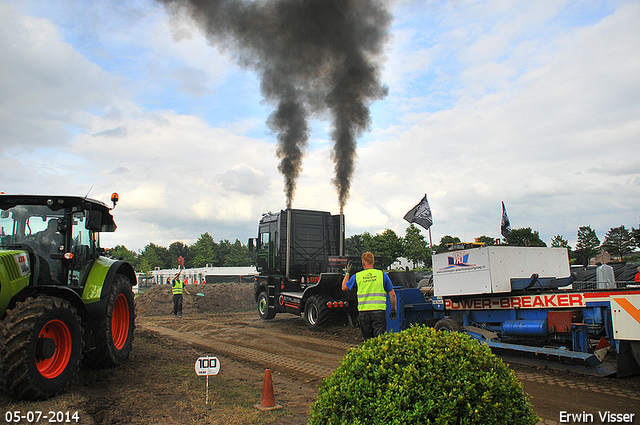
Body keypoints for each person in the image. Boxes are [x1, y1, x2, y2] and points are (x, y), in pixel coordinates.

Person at [342, 252, 397, 340]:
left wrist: (347, 273)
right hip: (379, 312)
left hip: (364, 313)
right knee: (380, 340)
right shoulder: (382, 275)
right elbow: (393, 295)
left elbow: (344, 287)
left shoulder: (358, 276)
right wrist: (394, 309)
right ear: (373, 262)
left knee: (368, 340)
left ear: (363, 263)